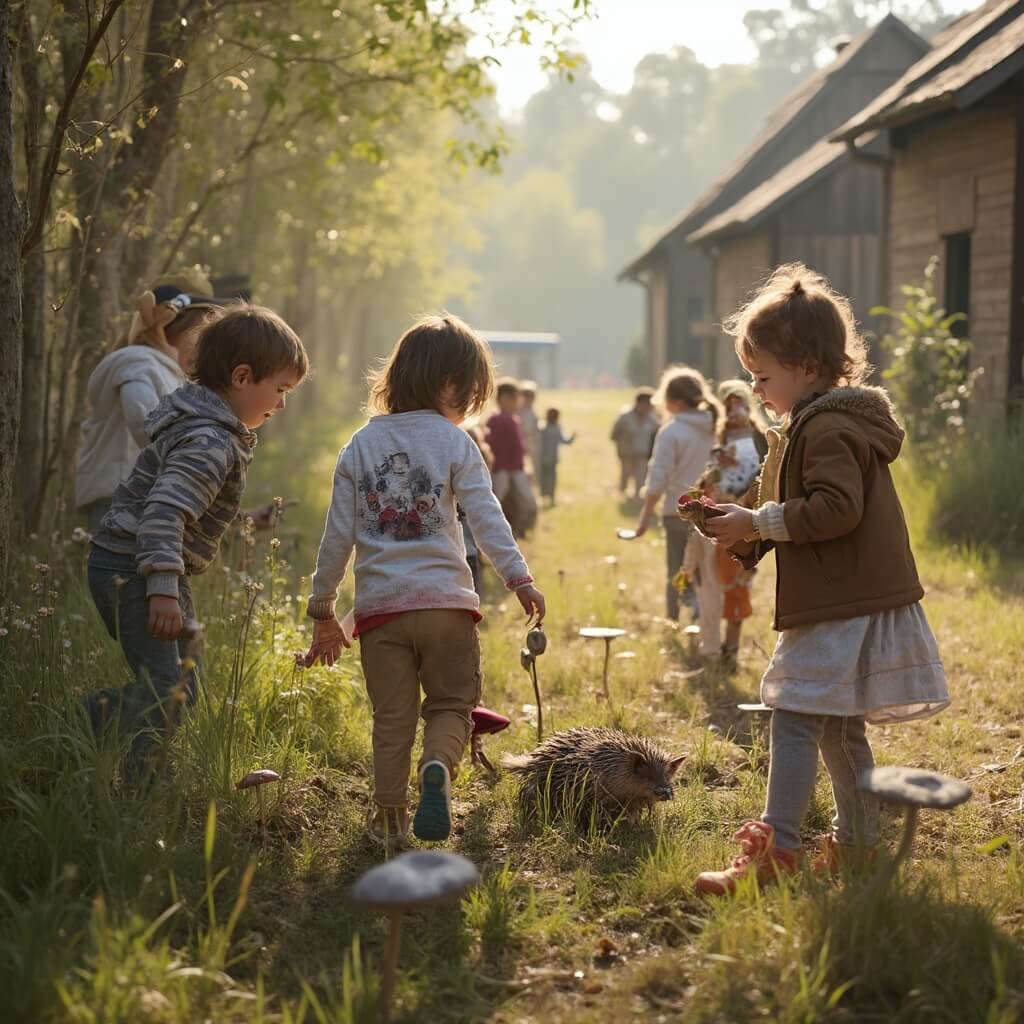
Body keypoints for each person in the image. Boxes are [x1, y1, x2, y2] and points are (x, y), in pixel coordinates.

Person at [695, 264, 949, 895]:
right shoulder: (808, 426)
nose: (757, 390)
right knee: (836, 724)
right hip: (844, 595)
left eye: (763, 376)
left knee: (796, 714)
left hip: (842, 600)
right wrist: (735, 524)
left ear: (806, 366)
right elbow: (782, 507)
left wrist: (758, 519)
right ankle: (860, 844)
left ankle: (778, 845)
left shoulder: (829, 427)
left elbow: (836, 511)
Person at [302, 315, 545, 847]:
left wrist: (323, 610)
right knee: (450, 706)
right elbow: (486, 517)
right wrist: (518, 578)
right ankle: (436, 766)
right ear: (450, 386)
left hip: (381, 614)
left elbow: (336, 537)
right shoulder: (455, 443)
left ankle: (388, 817)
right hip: (446, 609)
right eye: (471, 394)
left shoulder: (359, 446)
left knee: (391, 719)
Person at [83, 305, 308, 774]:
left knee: (186, 685)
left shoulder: (207, 427)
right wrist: (163, 588)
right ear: (242, 377)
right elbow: (164, 512)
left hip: (148, 566)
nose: (282, 405)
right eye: (280, 391)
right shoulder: (209, 440)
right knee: (167, 691)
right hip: (132, 569)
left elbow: (182, 508)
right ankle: (95, 744)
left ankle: (145, 770)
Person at [76, 270, 226, 534]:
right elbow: (145, 423)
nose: (205, 345)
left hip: (145, 498)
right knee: (121, 574)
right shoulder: (138, 362)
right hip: (119, 499)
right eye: (201, 333)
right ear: (177, 328)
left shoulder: (165, 371)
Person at [634, 368, 719, 621]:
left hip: (677, 512)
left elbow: (658, 479)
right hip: (711, 511)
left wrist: (645, 517)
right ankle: (703, 620)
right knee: (706, 571)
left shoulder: (671, 432)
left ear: (675, 402)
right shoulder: (715, 425)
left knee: (678, 569)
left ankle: (673, 618)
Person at [485, 378, 538, 537]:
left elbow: (519, 447)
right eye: (515, 399)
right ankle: (495, 531)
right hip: (502, 468)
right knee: (497, 500)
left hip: (514, 467)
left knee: (523, 499)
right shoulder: (497, 420)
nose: (518, 403)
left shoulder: (512, 419)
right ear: (504, 399)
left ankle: (520, 528)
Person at [611, 388, 660, 498]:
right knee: (625, 475)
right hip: (627, 453)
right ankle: (622, 495)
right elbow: (614, 435)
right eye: (647, 404)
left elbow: (658, 435)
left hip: (643, 454)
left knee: (641, 477)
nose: (650, 408)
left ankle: (637, 497)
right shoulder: (624, 417)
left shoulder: (653, 419)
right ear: (639, 403)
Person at [538, 407, 576, 506]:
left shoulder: (542, 428)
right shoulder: (556, 428)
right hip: (552, 459)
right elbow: (566, 441)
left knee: (543, 478)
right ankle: (551, 498)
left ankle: (543, 497)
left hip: (542, 458)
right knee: (552, 479)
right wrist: (572, 437)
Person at [518, 380, 542, 477]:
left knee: (534, 460)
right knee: (522, 460)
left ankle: (535, 479)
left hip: (532, 440)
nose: (528, 398)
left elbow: (536, 425)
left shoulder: (533, 410)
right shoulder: (518, 410)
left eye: (531, 396)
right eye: (526, 395)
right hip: (521, 439)